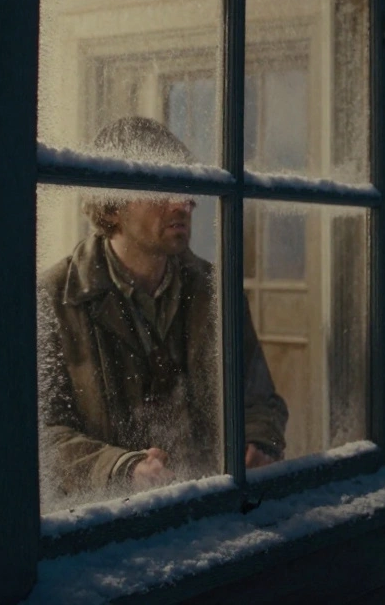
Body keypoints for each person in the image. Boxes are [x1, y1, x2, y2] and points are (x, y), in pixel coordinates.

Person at [37, 116, 288, 505]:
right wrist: (123, 468)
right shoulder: (54, 296)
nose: (182, 202)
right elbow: (40, 433)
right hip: (109, 523)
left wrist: (259, 437)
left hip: (210, 504)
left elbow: (257, 394)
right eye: (161, 187)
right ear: (113, 203)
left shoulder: (215, 289)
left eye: (185, 185)